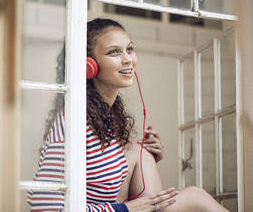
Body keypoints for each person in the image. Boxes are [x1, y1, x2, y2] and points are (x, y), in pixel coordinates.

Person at [27, 18, 228, 212]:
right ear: (89, 66)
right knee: (195, 196)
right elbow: (43, 207)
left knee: (138, 151)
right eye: (114, 52)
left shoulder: (104, 119)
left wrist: (148, 157)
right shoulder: (71, 123)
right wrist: (123, 209)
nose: (128, 59)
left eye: (129, 49)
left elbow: (105, 188)